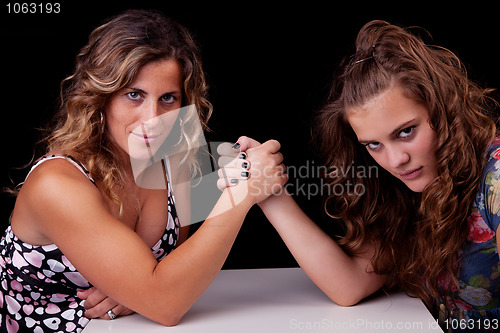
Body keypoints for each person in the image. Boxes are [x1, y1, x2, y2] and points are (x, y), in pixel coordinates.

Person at [0, 9, 287, 332]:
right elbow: (166, 305)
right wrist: (241, 191)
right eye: (134, 95)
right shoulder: (57, 184)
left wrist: (134, 291)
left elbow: (176, 274)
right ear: (101, 97)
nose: (153, 119)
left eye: (168, 98)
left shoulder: (172, 159)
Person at [220, 20, 500, 331]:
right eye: (374, 144)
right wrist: (269, 192)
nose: (396, 160)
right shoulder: (401, 189)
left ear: (442, 110)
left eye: (406, 132)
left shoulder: (496, 178)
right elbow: (349, 285)